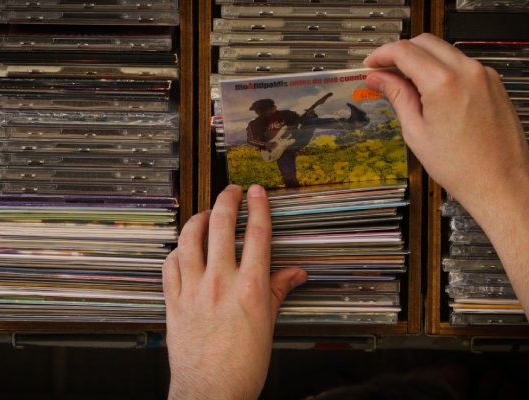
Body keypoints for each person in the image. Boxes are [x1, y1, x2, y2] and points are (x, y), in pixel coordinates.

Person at [163, 33, 529, 399]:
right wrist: (507, 185)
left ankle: (432, 385)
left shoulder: (285, 114)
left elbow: (303, 120)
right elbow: (255, 141)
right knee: (288, 178)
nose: (269, 110)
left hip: (299, 140)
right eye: (266, 107)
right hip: (278, 153)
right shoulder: (257, 126)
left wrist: (205, 388)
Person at [246, 97, 369, 187]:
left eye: (266, 110)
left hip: (297, 139)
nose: (262, 113)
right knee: (288, 175)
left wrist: (311, 115)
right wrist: (265, 144)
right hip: (277, 150)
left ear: (274, 108)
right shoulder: (254, 124)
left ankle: (353, 123)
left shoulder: (287, 114)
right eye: (259, 111)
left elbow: (303, 123)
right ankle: (293, 193)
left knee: (308, 121)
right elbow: (251, 139)